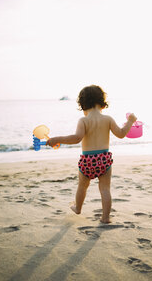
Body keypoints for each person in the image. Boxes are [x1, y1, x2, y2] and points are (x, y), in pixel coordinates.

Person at [46, 85, 137, 223]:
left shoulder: (83, 120)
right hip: (104, 159)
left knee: (82, 186)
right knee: (105, 189)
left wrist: (57, 139)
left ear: (83, 105)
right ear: (102, 102)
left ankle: (78, 208)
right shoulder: (108, 119)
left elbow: (77, 138)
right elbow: (121, 134)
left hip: (87, 160)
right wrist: (130, 121)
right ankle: (105, 218)